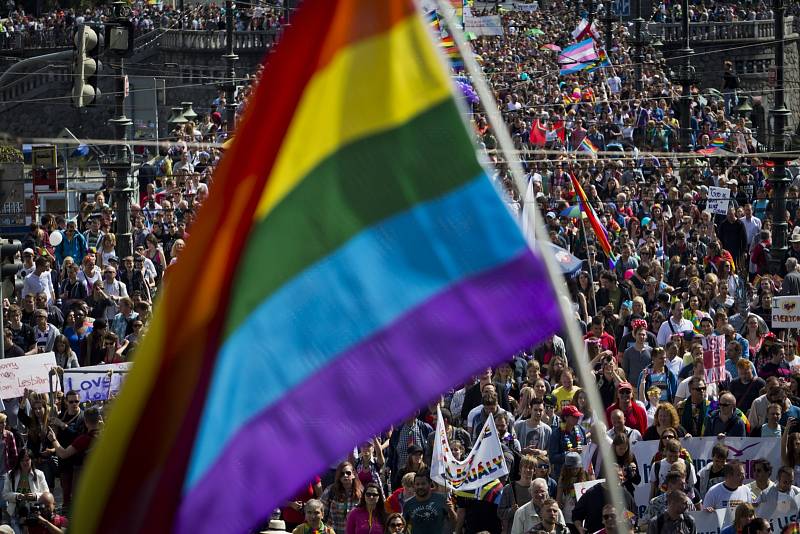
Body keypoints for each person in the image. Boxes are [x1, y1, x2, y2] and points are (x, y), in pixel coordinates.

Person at [2, 449, 49, 534]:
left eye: (27, 460)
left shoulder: (39, 474)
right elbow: (4, 495)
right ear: (19, 461)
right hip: (15, 512)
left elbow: (47, 494)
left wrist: (35, 496)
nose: (25, 463)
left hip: (34, 513)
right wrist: (17, 496)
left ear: (32, 460)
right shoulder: (11, 474)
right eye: (22, 460)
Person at [321, 462, 363, 534]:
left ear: (353, 475)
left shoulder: (361, 492)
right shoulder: (330, 490)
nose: (345, 475)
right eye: (342, 474)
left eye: (348, 473)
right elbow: (321, 512)